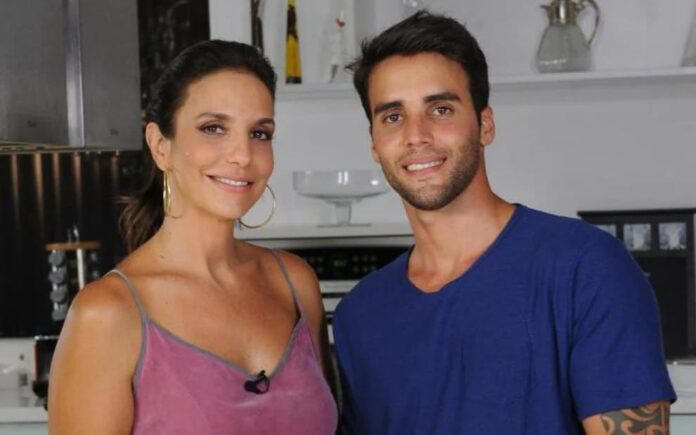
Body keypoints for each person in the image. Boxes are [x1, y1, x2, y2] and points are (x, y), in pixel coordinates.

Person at [332, 11, 676, 434]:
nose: (416, 135)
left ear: (485, 125)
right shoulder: (359, 316)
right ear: (374, 144)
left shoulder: (586, 269)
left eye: (440, 109)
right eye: (393, 116)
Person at [48, 40, 337, 434]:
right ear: (160, 146)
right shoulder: (108, 313)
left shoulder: (295, 284)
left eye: (259, 133)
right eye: (213, 128)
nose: (242, 155)